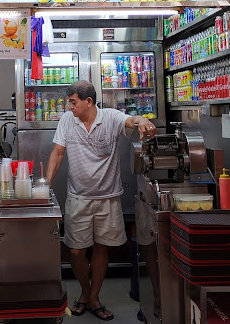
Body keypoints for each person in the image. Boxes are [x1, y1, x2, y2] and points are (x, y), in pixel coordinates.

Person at [46, 81, 156, 321]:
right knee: (75, 251)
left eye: (73, 102)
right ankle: (85, 292)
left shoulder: (110, 118)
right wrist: (46, 184)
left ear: (89, 101)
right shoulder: (67, 120)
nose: (70, 106)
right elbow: (58, 152)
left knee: (101, 248)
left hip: (108, 197)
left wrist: (142, 120)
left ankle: (93, 297)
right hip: (78, 197)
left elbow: (130, 121)